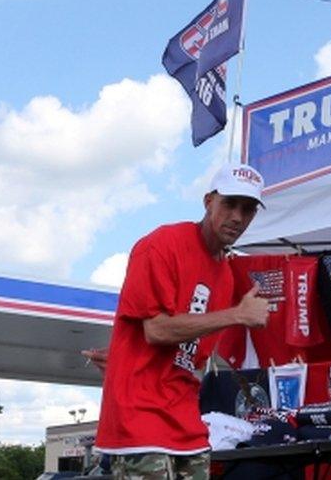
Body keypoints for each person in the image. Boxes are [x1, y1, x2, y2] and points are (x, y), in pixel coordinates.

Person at [86, 163, 271, 480]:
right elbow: (156, 330)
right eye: (229, 204)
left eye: (249, 209)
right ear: (208, 201)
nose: (238, 217)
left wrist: (123, 356)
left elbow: (191, 356)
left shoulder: (225, 275)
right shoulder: (162, 244)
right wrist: (237, 314)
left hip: (186, 421)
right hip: (139, 419)